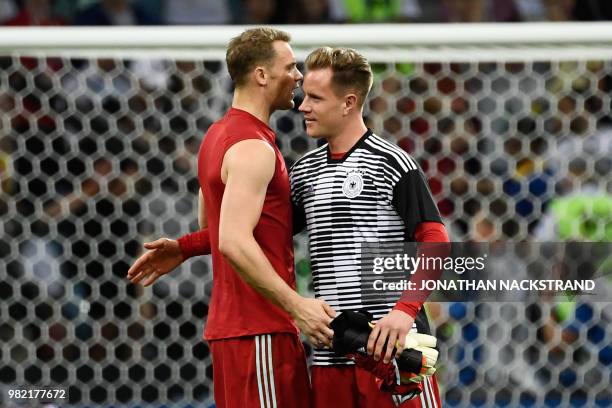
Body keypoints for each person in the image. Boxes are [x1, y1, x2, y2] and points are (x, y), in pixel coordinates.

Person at [128, 27, 335, 408]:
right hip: (261, 329)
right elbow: (234, 240)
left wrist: (186, 246)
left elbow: (219, 228)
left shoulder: (216, 136)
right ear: (261, 74)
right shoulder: (252, 148)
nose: (298, 76)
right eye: (290, 66)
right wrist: (297, 306)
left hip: (236, 333)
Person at [290, 46, 447, 407]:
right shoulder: (303, 172)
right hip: (331, 357)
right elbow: (262, 238)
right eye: (303, 96)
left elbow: (437, 242)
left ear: (348, 102)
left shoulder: (392, 162)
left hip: (393, 353)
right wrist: (186, 246)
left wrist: (404, 311)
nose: (303, 106)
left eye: (315, 97)